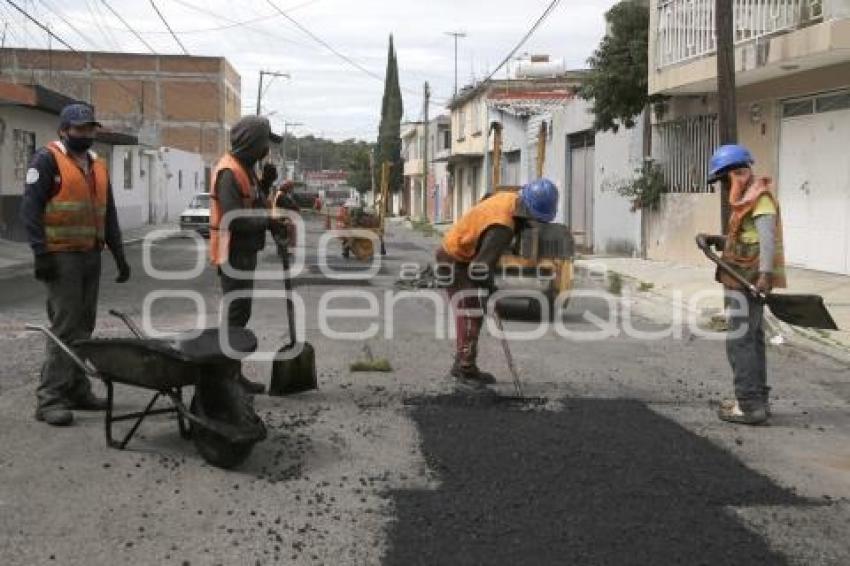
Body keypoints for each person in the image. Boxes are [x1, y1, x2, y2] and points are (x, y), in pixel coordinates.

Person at [20, 102, 131, 426]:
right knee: (66, 327)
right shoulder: (46, 159)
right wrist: (41, 253)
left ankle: (77, 389)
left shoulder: (98, 165)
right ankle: (49, 398)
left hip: (90, 255)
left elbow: (108, 213)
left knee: (85, 327)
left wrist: (120, 255)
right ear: (64, 130)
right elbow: (30, 210)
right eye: (79, 129)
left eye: (90, 128)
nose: (86, 134)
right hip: (60, 256)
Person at [435, 178, 559, 385]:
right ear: (528, 211)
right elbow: (480, 268)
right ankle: (465, 369)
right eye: (536, 218)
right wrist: (491, 289)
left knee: (472, 312)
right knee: (470, 312)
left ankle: (463, 363)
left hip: (465, 256)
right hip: (454, 259)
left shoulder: (509, 199)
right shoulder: (502, 227)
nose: (535, 223)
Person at [698, 144, 785, 425]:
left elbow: (767, 240)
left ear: (736, 174)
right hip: (741, 278)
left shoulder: (760, 199)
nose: (724, 187)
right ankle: (756, 398)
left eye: (725, 181)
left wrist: (765, 275)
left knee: (740, 341)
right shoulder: (747, 200)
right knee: (752, 340)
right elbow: (744, 239)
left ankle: (749, 405)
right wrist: (716, 239)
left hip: (750, 279)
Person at [209, 116, 278, 395]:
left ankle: (232, 375)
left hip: (245, 253)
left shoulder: (245, 169)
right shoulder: (229, 171)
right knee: (236, 317)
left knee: (241, 314)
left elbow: (254, 203)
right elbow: (234, 219)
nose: (267, 150)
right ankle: (226, 378)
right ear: (252, 143)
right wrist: (269, 223)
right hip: (232, 253)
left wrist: (265, 183)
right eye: (264, 144)